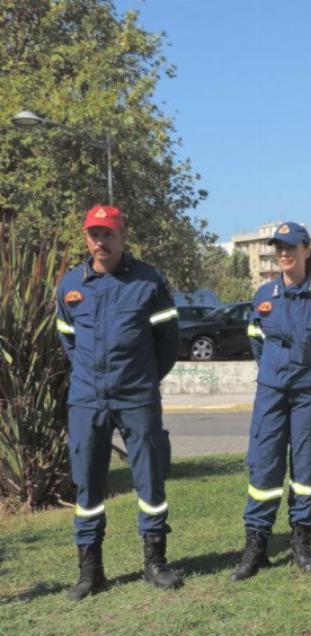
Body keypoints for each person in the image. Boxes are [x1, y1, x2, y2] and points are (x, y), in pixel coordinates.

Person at [56, 205, 181, 600]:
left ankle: (155, 562)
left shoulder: (149, 281)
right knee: (88, 484)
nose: (100, 241)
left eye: (107, 233)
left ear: (122, 235)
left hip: (137, 396)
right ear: (85, 237)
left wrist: (141, 379)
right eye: (93, 234)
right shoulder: (70, 285)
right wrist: (93, 379)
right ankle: (91, 571)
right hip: (87, 398)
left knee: (149, 478)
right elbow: (68, 340)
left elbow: (168, 344)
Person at [230, 221, 311, 581]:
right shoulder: (264, 296)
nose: (284, 253)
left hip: (310, 393)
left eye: (290, 247)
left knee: (307, 469)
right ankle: (257, 545)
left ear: (306, 252)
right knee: (263, 465)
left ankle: (302, 539)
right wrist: (275, 372)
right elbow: (256, 342)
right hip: (271, 392)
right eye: (278, 247)